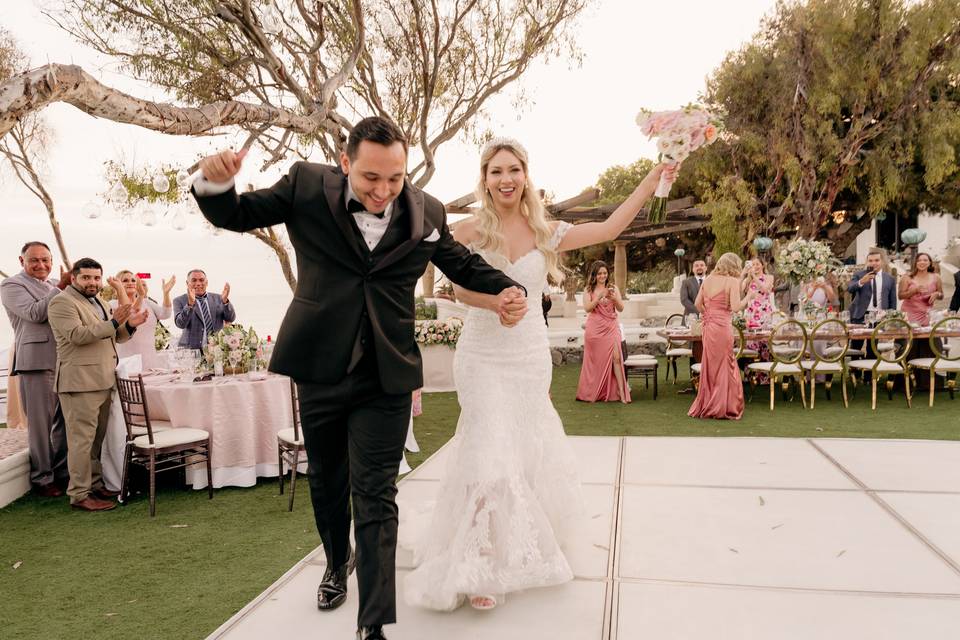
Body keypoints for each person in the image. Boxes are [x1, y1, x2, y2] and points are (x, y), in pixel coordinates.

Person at [192, 117, 526, 640]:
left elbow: (463, 265)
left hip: (387, 376)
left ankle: (373, 624)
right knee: (327, 482)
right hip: (320, 367)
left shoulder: (428, 212)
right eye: (371, 177)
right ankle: (333, 562)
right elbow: (238, 213)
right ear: (345, 162)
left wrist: (508, 288)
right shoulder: (305, 185)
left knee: (376, 494)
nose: (383, 190)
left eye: (395, 179)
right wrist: (216, 184)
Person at [404, 137, 674, 611]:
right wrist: (493, 301)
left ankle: (515, 543)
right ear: (484, 180)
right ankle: (480, 562)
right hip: (482, 352)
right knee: (487, 446)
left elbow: (610, 227)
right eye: (496, 171)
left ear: (525, 175)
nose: (505, 179)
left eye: (513, 170)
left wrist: (652, 181)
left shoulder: (547, 230)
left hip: (527, 355)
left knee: (521, 449)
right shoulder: (468, 230)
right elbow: (456, 289)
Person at [47, 258, 148, 511]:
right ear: (73, 279)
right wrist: (115, 322)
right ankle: (80, 494)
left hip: (103, 379)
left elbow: (113, 337)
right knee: (81, 441)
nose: (92, 282)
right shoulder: (61, 302)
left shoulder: (99, 301)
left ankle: (94, 483)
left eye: (96, 278)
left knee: (95, 440)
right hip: (79, 383)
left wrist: (130, 326)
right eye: (86, 278)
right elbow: (78, 336)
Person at [1, 242, 71, 497]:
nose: (41, 265)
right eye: (34, 261)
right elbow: (35, 313)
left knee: (64, 422)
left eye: (45, 260)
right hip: (36, 361)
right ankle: (43, 478)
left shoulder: (53, 283)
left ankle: (63, 474)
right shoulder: (11, 286)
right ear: (22, 261)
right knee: (41, 426)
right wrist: (62, 287)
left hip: (64, 361)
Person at [689, 253, 757, 420]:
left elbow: (698, 304)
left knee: (711, 364)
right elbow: (735, 307)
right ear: (733, 265)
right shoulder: (731, 282)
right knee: (725, 363)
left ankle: (708, 403)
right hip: (722, 328)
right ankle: (723, 406)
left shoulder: (709, 280)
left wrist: (709, 315)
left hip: (709, 327)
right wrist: (749, 296)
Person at [576, 261, 630, 403]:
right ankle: (594, 391)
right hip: (595, 328)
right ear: (594, 275)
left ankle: (622, 393)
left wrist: (614, 298)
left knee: (616, 358)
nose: (602, 276)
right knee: (596, 361)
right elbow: (587, 308)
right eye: (599, 273)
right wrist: (599, 297)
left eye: (604, 273)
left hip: (611, 326)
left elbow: (621, 308)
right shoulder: (588, 289)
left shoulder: (613, 287)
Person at [110, 271, 176, 368]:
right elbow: (130, 313)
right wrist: (140, 296)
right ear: (117, 285)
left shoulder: (147, 302)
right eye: (125, 280)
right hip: (127, 361)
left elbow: (165, 314)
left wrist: (166, 293)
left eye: (133, 280)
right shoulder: (112, 304)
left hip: (150, 359)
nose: (130, 283)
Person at [172, 269, 234, 349]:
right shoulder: (179, 300)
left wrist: (225, 301)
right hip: (191, 352)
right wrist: (190, 305)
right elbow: (180, 324)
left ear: (206, 282)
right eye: (194, 280)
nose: (198, 284)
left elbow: (230, 318)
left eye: (201, 280)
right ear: (187, 283)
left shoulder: (219, 298)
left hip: (216, 351)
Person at [847, 249, 897, 324]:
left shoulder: (890, 278)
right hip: (861, 316)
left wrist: (892, 318)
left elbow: (892, 301)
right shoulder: (859, 274)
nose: (873, 263)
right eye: (870, 261)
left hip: (882, 316)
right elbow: (850, 289)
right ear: (867, 262)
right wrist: (862, 281)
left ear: (882, 261)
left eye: (877, 260)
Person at [899, 253, 942, 326]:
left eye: (925, 260)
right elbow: (900, 296)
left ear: (930, 263)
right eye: (919, 260)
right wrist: (914, 291)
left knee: (932, 337)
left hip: (927, 316)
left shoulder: (936, 277)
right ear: (915, 263)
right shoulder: (907, 277)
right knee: (908, 337)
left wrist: (937, 294)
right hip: (909, 316)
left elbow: (941, 295)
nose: (922, 262)